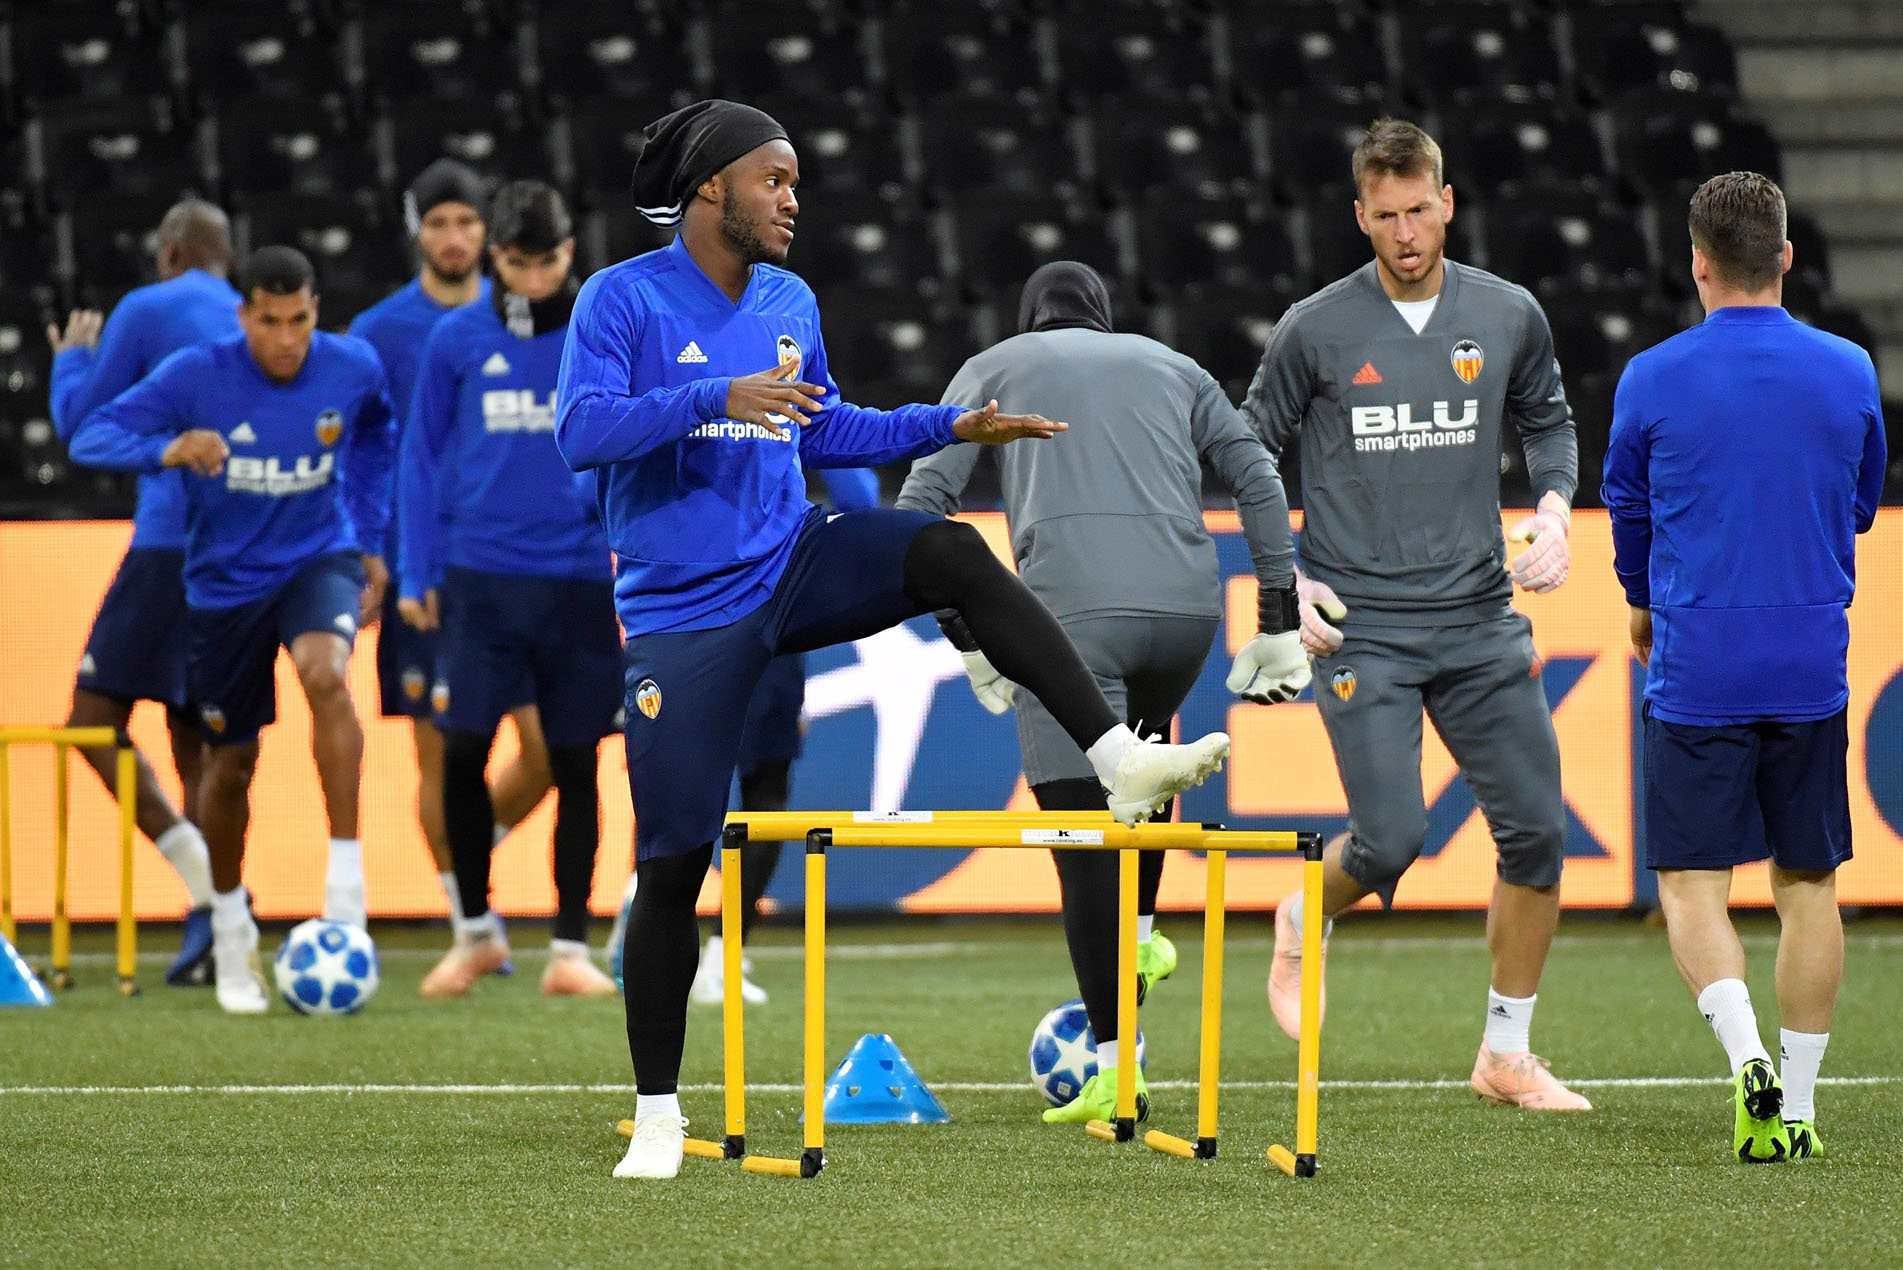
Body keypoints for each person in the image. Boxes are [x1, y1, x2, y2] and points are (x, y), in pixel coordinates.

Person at [554, 99, 1230, 1179]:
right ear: (710, 188)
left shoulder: (788, 296)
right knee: (676, 858)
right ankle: (657, 1114)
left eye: (793, 182)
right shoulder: (618, 298)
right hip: (685, 607)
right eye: (773, 179)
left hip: (790, 557)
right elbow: (582, 430)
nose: (791, 199)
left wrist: (943, 426)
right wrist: (710, 394)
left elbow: (822, 425)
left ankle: (1115, 753)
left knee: (944, 548)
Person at [897, 260, 1309, 1124]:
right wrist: (1274, 614)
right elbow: (1260, 479)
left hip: (1071, 629)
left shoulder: (993, 367)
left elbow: (919, 509)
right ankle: (1148, 933)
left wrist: (969, 640)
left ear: (1029, 318)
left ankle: (1115, 1073)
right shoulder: (1174, 365)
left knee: (1083, 853)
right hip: (1186, 624)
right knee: (1143, 773)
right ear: (1104, 318)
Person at [1242, 118, 1590, 1109]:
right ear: (1359, 216)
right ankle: (1303, 913)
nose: (1403, 233)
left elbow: (1549, 420)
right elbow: (1249, 453)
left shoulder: (1508, 311)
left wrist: (1556, 509)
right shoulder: (1314, 327)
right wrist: (1285, 581)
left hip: (1481, 616)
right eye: (1383, 216)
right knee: (1391, 840)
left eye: (1417, 211)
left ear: (1446, 201)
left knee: (1535, 836)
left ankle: (1505, 1052)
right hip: (1362, 624)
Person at [1602, 172, 1886, 1163]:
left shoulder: (1649, 377)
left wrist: (1642, 602)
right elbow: (1857, 500)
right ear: (1785, 258)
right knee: (1808, 884)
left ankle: (1744, 1061)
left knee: (1690, 883)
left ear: (1697, 262)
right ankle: (1798, 1105)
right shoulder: (1849, 368)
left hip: (1699, 661)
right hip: (1808, 659)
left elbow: (1628, 514)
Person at [71, 246, 395, 1014]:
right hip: (221, 587)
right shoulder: (195, 374)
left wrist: (372, 538)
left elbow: (380, 436)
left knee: (326, 673)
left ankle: (345, 892)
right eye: (269, 321)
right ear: (243, 313)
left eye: (300, 320)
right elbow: (89, 437)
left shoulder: (352, 366)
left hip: (318, 560)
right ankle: (229, 931)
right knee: (232, 763)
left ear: (317, 310)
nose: (286, 338)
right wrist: (167, 447)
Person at [397, 181, 619, 999]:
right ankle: (475, 931)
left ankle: (569, 948)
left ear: (571, 252)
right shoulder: (456, 338)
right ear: (496, 257)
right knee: (460, 751)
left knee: (576, 761)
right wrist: (416, 568)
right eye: (518, 263)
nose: (533, 278)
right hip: (479, 579)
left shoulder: (599, 337)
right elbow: (418, 458)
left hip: (575, 578)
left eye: (548, 261)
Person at [350, 160, 550, 963]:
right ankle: (473, 920)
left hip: (521, 567)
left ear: (490, 235)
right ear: (416, 229)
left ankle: (469, 857)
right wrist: (373, 553)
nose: (454, 237)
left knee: (548, 751)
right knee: (438, 753)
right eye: (438, 223)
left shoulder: (528, 320)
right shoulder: (378, 332)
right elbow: (363, 455)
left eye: (467, 222)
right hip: (421, 575)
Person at [48, 199, 236, 985]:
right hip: (238, 555)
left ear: (169, 253)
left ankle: (213, 896)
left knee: (92, 726)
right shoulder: (248, 317)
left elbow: (83, 426)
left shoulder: (146, 307)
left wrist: (70, 362)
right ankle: (215, 924)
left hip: (166, 544)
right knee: (197, 739)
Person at [685, 464, 880, 1008]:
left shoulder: (673, 390)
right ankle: (713, 953)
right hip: (752, 611)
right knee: (759, 794)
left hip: (684, 614)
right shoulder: (784, 394)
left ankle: (670, 938)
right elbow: (859, 494)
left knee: (688, 790)